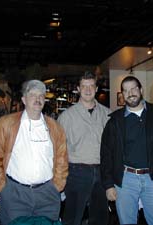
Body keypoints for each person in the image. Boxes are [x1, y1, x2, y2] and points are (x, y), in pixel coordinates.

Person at [0, 79, 69, 225]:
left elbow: (62, 160)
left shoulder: (55, 127)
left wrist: (57, 185)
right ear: (24, 99)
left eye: (41, 95)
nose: (37, 99)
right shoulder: (6, 123)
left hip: (47, 194)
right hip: (15, 194)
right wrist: (2, 188)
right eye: (32, 95)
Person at [100, 76, 153, 225]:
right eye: (126, 90)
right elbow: (106, 153)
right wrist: (109, 185)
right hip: (125, 180)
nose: (130, 93)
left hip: (152, 178)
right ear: (123, 95)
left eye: (134, 88)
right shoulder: (115, 121)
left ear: (141, 90)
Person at [57, 71, 111, 225]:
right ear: (78, 89)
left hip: (102, 172)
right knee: (72, 217)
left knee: (100, 218)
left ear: (97, 88)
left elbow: (113, 148)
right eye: (84, 86)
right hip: (76, 172)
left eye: (91, 85)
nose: (88, 89)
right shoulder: (66, 117)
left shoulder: (108, 115)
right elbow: (58, 150)